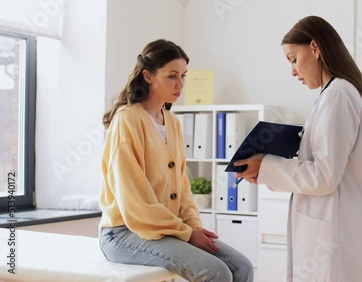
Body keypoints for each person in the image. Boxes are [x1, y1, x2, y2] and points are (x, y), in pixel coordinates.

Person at [234, 16, 362, 282]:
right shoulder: (333, 95)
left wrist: (267, 165)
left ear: (315, 48)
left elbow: (324, 176)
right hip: (335, 234)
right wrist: (267, 169)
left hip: (337, 241)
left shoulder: (338, 95)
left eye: (294, 59)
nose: (293, 71)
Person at [98, 39, 253, 282]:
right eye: (172, 76)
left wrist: (194, 226)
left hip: (165, 230)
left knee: (242, 267)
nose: (180, 84)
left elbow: (182, 186)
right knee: (216, 272)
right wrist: (187, 233)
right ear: (148, 76)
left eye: (183, 76)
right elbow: (135, 202)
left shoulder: (172, 122)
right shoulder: (127, 120)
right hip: (124, 233)